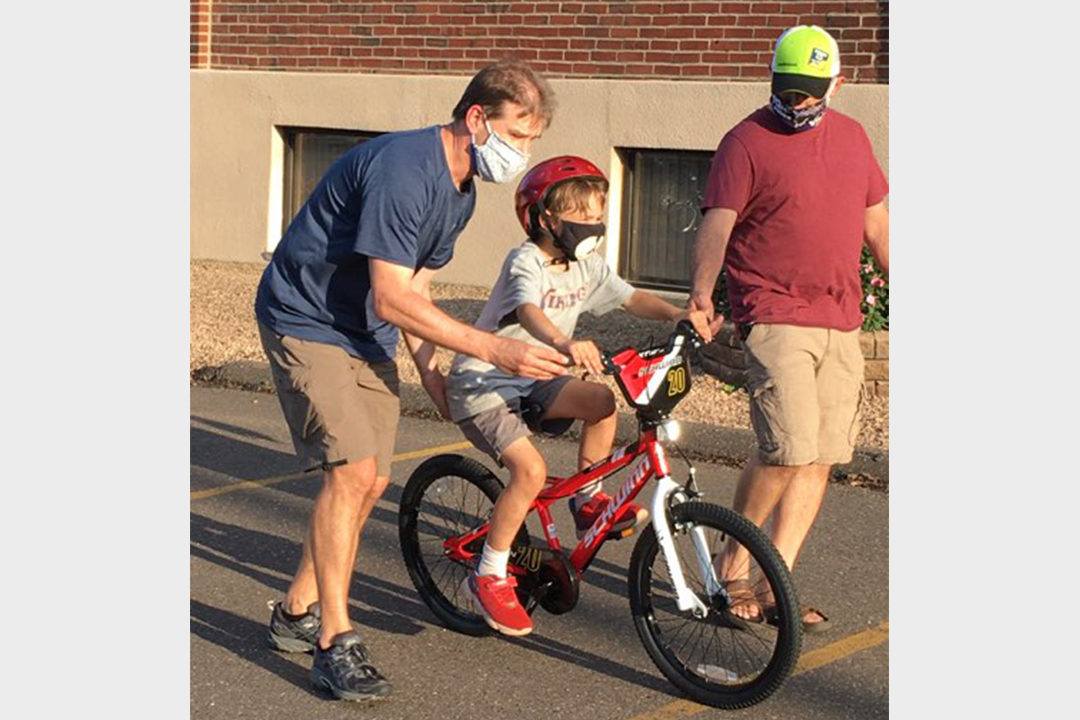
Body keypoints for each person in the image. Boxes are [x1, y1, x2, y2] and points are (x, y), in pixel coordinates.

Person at [254, 60, 572, 702]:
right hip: (306, 318)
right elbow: (393, 296)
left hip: (362, 328)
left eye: (533, 141)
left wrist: (435, 373)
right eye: (519, 134)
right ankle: (333, 642)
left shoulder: (460, 193)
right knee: (347, 474)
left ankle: (294, 611)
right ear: (477, 118)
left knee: (371, 478)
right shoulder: (406, 169)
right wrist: (493, 351)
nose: (522, 152)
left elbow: (418, 289)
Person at [447, 155, 722, 636]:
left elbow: (630, 297)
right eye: (582, 215)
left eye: (598, 214)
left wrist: (678, 314)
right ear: (546, 218)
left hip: (535, 378)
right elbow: (529, 309)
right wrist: (564, 342)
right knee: (529, 472)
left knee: (600, 402)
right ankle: (488, 573)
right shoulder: (525, 260)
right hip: (484, 383)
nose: (592, 224)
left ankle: (587, 499)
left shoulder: (588, 265)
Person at [688, 25, 889, 634]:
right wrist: (702, 290)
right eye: (787, 88)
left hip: (840, 318)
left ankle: (776, 577)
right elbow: (718, 224)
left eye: (809, 91)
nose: (797, 101)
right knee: (787, 448)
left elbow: (879, 226)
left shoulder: (853, 138)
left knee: (822, 455)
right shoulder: (745, 141)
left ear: (837, 83)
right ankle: (732, 570)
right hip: (773, 312)